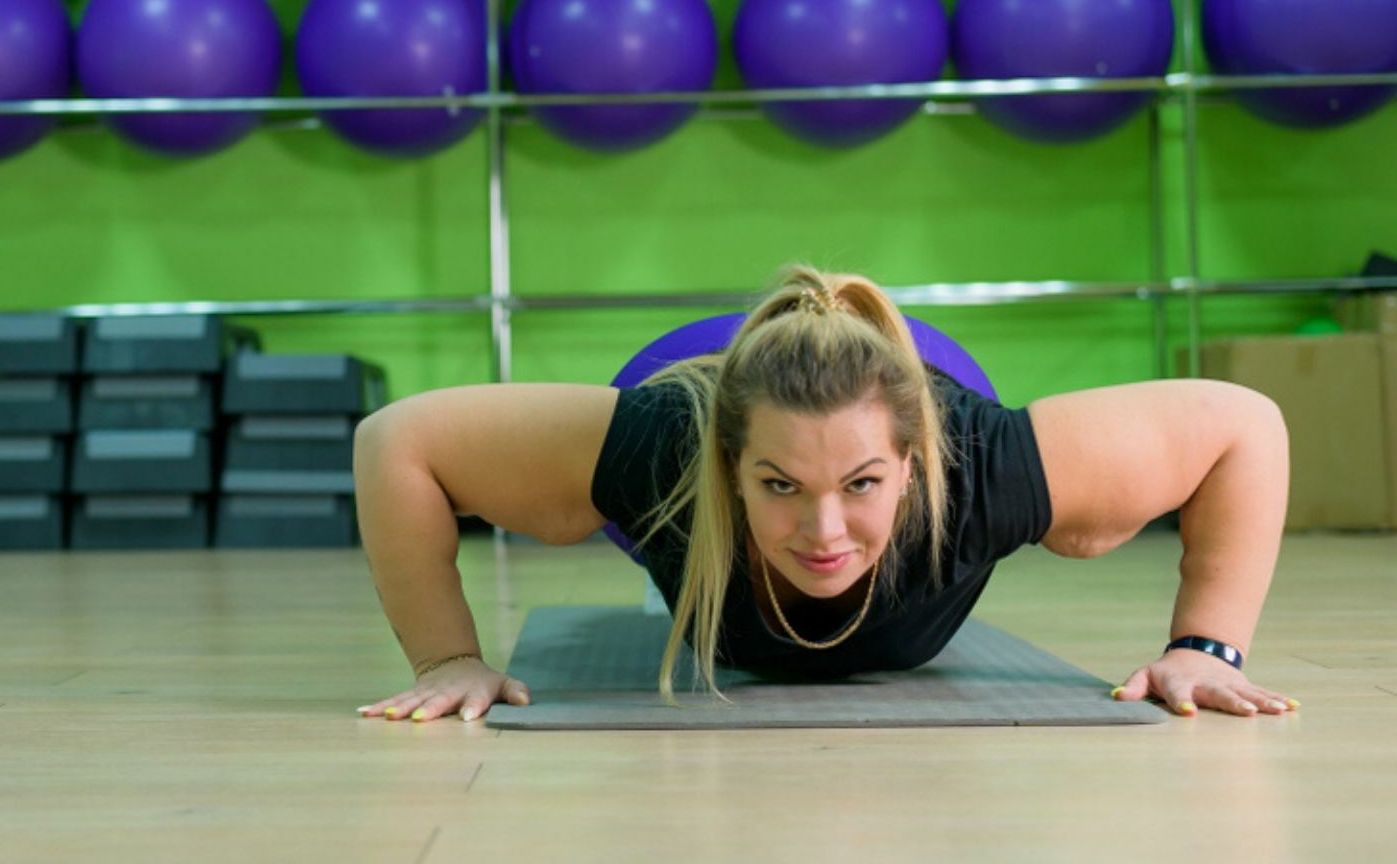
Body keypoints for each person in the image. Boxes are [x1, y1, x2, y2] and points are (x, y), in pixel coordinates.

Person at [353, 264, 1300, 723]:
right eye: (779, 487)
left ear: (916, 469)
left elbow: (1245, 425)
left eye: (861, 486)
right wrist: (447, 659)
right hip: (694, 380)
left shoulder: (984, 464)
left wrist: (1204, 648)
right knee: (608, 495)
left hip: (917, 372)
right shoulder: (660, 451)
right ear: (728, 472)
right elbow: (395, 439)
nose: (824, 530)